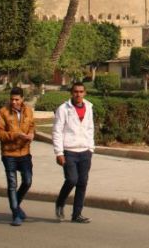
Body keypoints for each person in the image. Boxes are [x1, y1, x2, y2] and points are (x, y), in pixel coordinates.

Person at [52, 81, 95, 223]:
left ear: (85, 93)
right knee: (72, 179)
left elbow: (90, 128)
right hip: (69, 151)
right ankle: (60, 202)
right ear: (71, 93)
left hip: (85, 151)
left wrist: (91, 148)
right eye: (76, 92)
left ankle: (77, 214)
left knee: (82, 182)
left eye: (81, 92)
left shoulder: (89, 107)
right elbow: (57, 131)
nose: (78, 94)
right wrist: (59, 152)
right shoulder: (63, 109)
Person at [0, 87, 35, 226]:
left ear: (22, 99)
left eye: (17, 99)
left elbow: (31, 125)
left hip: (25, 152)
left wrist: (31, 134)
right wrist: (15, 135)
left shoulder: (28, 110)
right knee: (12, 184)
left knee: (28, 181)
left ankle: (15, 204)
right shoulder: (3, 112)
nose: (14, 102)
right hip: (9, 154)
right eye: (12, 99)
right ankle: (15, 213)